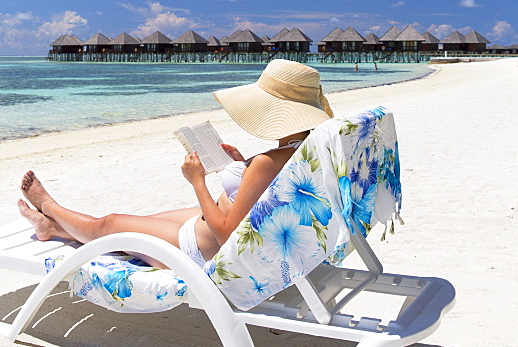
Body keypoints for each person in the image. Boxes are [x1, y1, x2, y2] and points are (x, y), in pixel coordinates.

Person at [18, 59, 333, 269]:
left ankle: (49, 207)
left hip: (204, 247)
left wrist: (197, 181)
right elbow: (267, 193)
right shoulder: (306, 150)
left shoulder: (269, 161)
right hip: (212, 229)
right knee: (131, 222)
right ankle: (53, 228)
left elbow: (226, 235)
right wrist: (240, 165)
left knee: (110, 224)